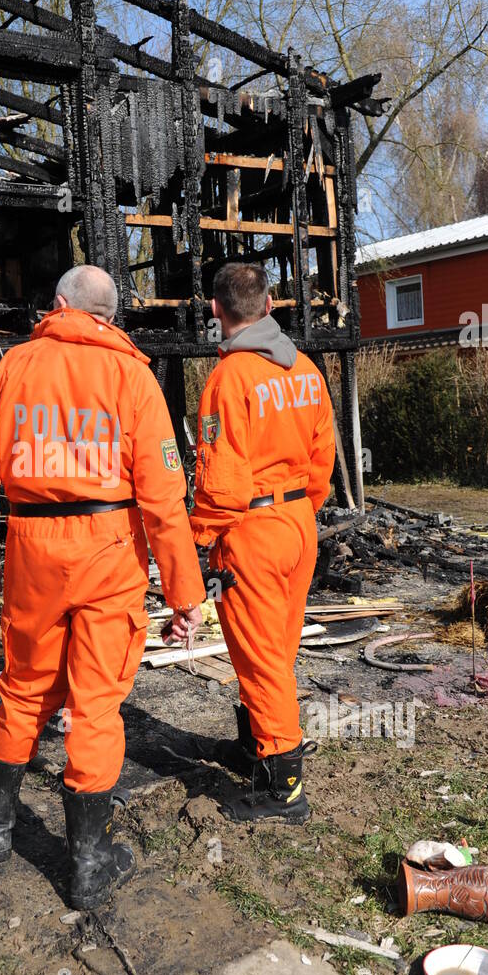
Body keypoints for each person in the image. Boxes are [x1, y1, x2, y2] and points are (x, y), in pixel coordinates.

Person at [0, 265, 205, 908]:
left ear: (59, 304)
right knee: (95, 705)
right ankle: (87, 866)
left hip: (32, 553)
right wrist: (185, 593)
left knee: (22, 685)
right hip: (109, 554)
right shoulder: (133, 376)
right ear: (110, 317)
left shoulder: (14, 367)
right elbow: (164, 496)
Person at [191, 262, 335, 823]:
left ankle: (284, 785)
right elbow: (322, 457)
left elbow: (219, 478)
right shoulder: (304, 369)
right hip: (299, 523)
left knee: (260, 657)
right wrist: (300, 511)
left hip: (252, 531)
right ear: (270, 304)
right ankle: (257, 742)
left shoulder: (229, 379)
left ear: (215, 310)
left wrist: (201, 541)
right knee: (278, 646)